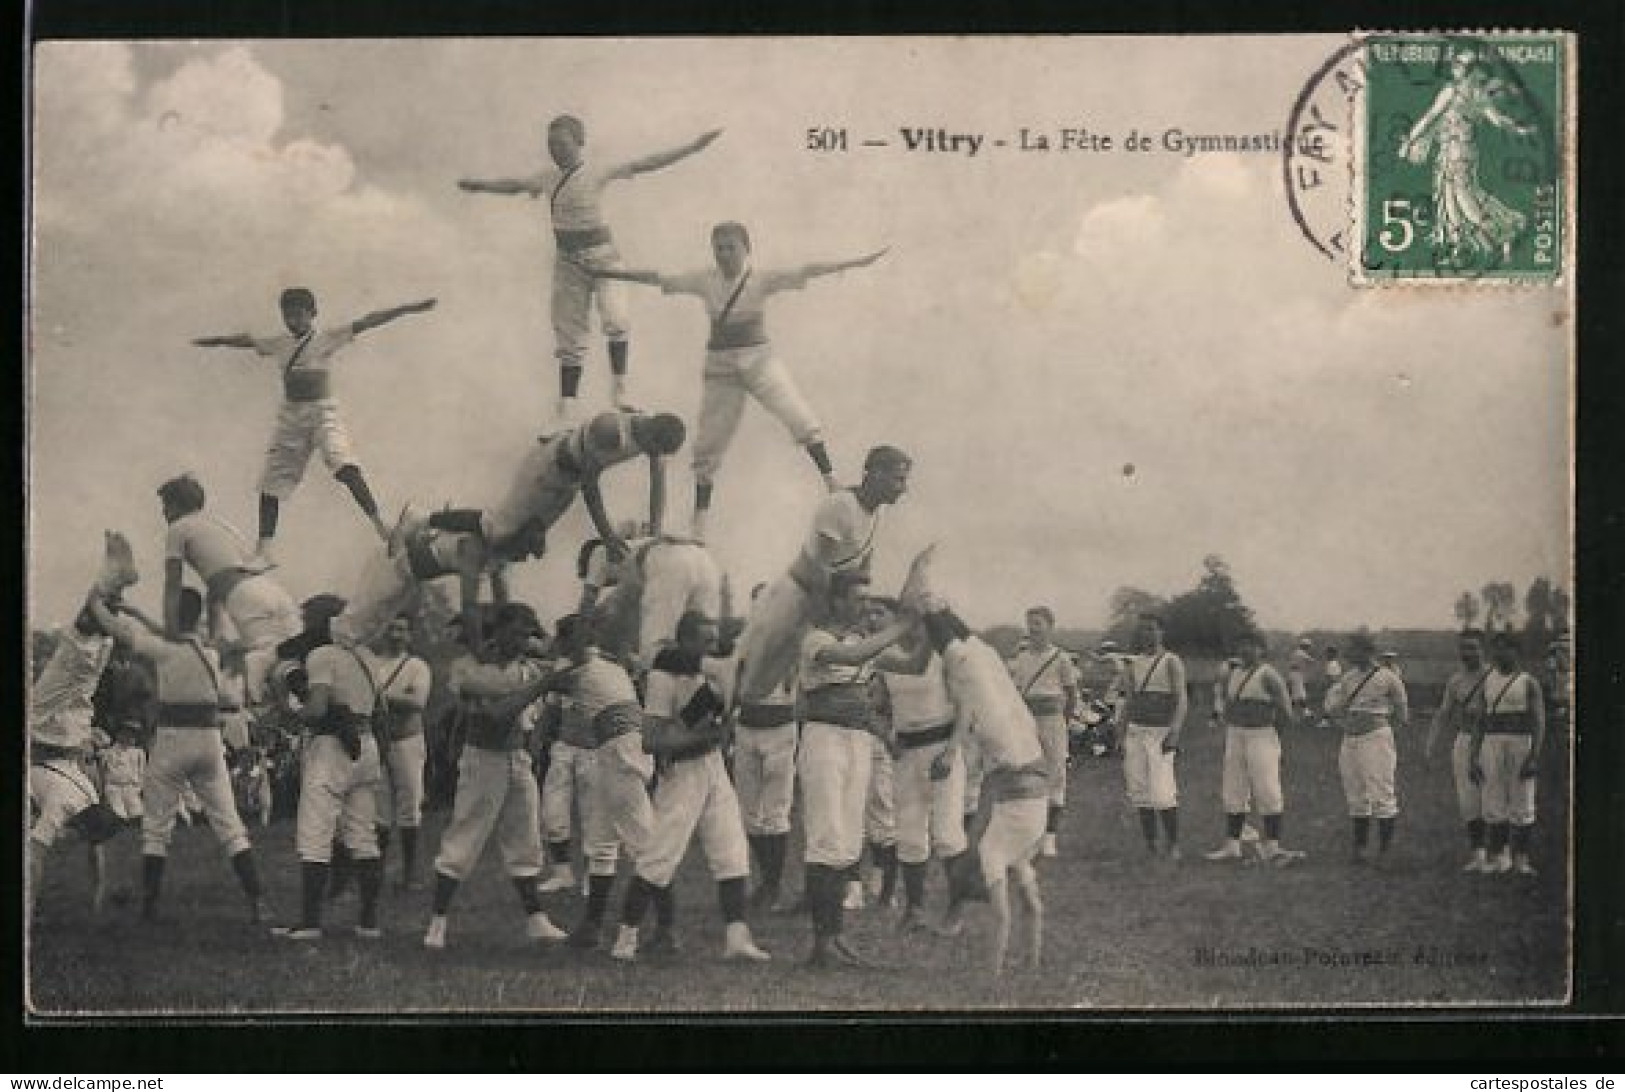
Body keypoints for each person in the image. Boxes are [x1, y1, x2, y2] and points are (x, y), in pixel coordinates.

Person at [586, 223, 888, 537]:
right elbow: (657, 277)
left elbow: (809, 271)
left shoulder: (761, 279)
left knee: (798, 415)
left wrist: (854, 263)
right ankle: (699, 524)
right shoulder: (704, 280)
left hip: (759, 360)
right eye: (719, 248)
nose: (725, 254)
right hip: (721, 368)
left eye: (731, 247)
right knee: (707, 445)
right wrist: (609, 275)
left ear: (747, 249)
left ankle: (830, 479)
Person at [457, 116, 722, 418]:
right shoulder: (549, 179)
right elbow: (514, 185)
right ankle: (567, 407)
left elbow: (647, 163)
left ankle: (621, 391)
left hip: (604, 260)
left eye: (562, 143)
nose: (556, 150)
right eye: (551, 144)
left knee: (617, 319)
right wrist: (478, 186)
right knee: (569, 332)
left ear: (579, 142)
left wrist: (692, 148)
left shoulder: (596, 172)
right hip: (569, 264)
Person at [191, 288, 437, 556]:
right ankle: (264, 550)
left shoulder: (326, 338)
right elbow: (247, 341)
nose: (293, 320)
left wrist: (408, 308)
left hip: (322, 414)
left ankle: (382, 525)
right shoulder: (279, 343)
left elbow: (369, 320)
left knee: (342, 464)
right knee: (271, 484)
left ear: (312, 314)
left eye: (299, 314)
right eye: (288, 315)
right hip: (291, 419)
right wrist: (214, 340)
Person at [90, 585, 273, 924]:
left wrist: (96, 602)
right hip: (209, 742)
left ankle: (150, 908)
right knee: (230, 825)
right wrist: (135, 611)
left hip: (173, 739)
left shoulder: (163, 651)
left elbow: (118, 631)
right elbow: (173, 633)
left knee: (156, 827)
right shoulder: (210, 652)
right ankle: (257, 900)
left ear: (174, 615)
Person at [607, 611, 768, 963]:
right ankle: (625, 940)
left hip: (713, 769)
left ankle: (737, 938)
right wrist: (705, 735)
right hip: (682, 774)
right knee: (659, 857)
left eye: (715, 641)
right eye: (705, 642)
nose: (712, 649)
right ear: (685, 642)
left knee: (732, 853)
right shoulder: (663, 677)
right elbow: (651, 741)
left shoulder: (717, 676)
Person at [912, 591, 1047, 976]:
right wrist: (1017, 968)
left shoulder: (1002, 856)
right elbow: (1023, 911)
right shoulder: (1008, 856)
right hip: (1020, 761)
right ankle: (936, 608)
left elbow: (1011, 914)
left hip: (1024, 757)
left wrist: (995, 976)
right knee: (981, 665)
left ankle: (934, 609)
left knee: (982, 666)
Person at [422, 603, 568, 950]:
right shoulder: (467, 668)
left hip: (517, 759)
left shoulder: (528, 669)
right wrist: (536, 685)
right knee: (465, 835)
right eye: (515, 633)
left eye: (526, 634)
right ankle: (437, 922)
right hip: (483, 759)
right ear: (497, 631)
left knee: (525, 836)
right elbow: (492, 717)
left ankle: (536, 920)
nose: (522, 640)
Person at [426, 408, 687, 599]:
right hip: (549, 469)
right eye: (656, 449)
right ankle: (427, 518)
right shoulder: (611, 431)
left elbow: (658, 485)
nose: (654, 456)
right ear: (652, 431)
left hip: (568, 483)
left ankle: (493, 577)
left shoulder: (652, 436)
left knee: (527, 538)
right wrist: (607, 537)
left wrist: (655, 532)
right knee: (498, 529)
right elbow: (590, 488)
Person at [795, 572, 915, 968]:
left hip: (858, 741)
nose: (865, 606)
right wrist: (901, 624)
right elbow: (852, 658)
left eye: (868, 599)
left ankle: (835, 937)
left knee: (848, 842)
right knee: (825, 840)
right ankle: (821, 941)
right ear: (835, 601)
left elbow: (915, 664)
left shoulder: (859, 643)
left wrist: (930, 622)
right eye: (858, 599)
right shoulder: (816, 639)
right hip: (825, 740)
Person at [736, 445, 913, 707]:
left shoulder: (878, 513)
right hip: (795, 598)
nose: (903, 488)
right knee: (748, 682)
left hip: (825, 603)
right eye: (898, 479)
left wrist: (860, 609)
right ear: (875, 473)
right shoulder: (841, 505)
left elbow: (863, 570)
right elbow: (821, 567)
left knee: (783, 686)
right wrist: (831, 621)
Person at [28, 533, 142, 923]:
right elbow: (84, 848)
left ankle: (109, 583)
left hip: (52, 725)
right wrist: (98, 895)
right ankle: (109, 584)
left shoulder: (75, 800)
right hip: (61, 721)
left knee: (79, 647)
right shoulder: (77, 800)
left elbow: (41, 853)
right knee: (84, 648)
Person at [271, 602, 391, 941]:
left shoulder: (322, 655)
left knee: (315, 833)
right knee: (362, 835)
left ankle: (310, 923)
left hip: (331, 747)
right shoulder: (367, 657)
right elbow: (381, 712)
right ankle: (368, 922)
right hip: (366, 745)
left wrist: (287, 706)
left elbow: (317, 709)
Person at [540, 615, 655, 950]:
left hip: (621, 752)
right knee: (603, 845)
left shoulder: (581, 667)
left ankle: (661, 930)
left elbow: (545, 677)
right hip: (608, 752)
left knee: (648, 846)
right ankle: (590, 928)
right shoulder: (610, 666)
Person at [156, 475, 302, 705]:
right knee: (290, 665)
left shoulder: (178, 528)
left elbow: (172, 583)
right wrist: (215, 636)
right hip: (270, 589)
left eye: (165, 506)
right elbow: (215, 590)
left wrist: (171, 633)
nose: (163, 513)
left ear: (175, 505)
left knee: (260, 679)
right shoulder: (221, 525)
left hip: (244, 596)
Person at [329, 504, 548, 653]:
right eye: (526, 550)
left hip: (411, 577)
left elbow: (503, 605)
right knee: (353, 624)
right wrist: (478, 649)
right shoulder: (475, 548)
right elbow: (469, 605)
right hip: (393, 564)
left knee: (372, 631)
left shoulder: (498, 556)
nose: (525, 558)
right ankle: (317, 651)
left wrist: (510, 636)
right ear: (516, 540)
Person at [870, 607, 969, 932]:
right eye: (904, 622)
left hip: (941, 749)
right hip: (905, 753)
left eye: (916, 623)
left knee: (946, 834)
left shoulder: (942, 658)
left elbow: (966, 708)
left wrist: (952, 752)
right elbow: (876, 707)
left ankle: (956, 910)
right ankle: (914, 909)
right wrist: (886, 736)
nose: (910, 629)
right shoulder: (887, 661)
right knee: (909, 834)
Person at [1398, 46, 1536, 265]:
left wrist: (1410, 139)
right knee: (1450, 198)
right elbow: (1498, 120)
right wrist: (1519, 129)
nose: (1455, 67)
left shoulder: (1452, 91)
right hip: (1461, 152)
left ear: (1469, 70)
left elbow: (1429, 117)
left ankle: (1503, 236)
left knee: (1464, 201)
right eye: (1455, 63)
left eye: (1460, 65)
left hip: (1455, 152)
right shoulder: (1479, 93)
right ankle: (1460, 250)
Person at [1203, 631, 1303, 866]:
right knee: (1233, 788)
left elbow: (1286, 713)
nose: (1245, 650)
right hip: (1236, 734)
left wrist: (1274, 739)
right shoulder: (1233, 673)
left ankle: (1272, 847)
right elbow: (1227, 703)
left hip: (1262, 735)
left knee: (1267, 788)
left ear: (1261, 649)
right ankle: (1232, 845)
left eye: (1250, 646)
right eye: (1241, 645)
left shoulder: (1269, 676)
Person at [732, 582, 801, 913]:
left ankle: (772, 885)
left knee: (775, 812)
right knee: (748, 814)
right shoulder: (742, 644)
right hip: (746, 728)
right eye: (757, 604)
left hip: (780, 729)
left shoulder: (794, 643)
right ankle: (766, 881)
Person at [1323, 631, 1410, 864]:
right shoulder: (1348, 677)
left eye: (1354, 649)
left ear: (1367, 651)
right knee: (1355, 794)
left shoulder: (1388, 677)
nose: (1350, 654)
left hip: (1376, 738)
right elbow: (1335, 706)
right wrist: (1340, 719)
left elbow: (1402, 713)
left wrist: (1383, 735)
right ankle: (1360, 850)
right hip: (1350, 740)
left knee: (1382, 793)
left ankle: (1385, 852)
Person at [363, 614, 435, 890]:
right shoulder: (372, 664)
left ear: (410, 635)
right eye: (391, 628)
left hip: (407, 742)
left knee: (409, 805)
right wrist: (391, 697)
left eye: (401, 630)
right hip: (378, 741)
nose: (395, 634)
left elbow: (417, 702)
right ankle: (377, 873)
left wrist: (379, 696)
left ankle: (410, 874)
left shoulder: (417, 666)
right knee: (379, 810)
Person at [1468, 633, 1547, 876]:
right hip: (1491, 743)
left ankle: (1521, 859)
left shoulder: (1528, 682)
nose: (1500, 655)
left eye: (1505, 649)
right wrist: (1473, 756)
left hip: (1520, 742)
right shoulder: (1487, 681)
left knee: (1522, 799)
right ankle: (1499, 857)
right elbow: (1480, 721)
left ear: (1516, 652)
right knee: (1493, 799)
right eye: (1496, 650)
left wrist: (1534, 756)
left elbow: (1538, 720)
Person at [1007, 607, 1080, 858]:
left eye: (1038, 623)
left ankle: (1050, 837)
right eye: (1030, 624)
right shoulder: (1021, 657)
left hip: (1052, 721)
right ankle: (1028, 835)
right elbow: (1014, 693)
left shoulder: (1061, 658)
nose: (1033, 628)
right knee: (1026, 774)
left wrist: (1064, 722)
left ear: (1050, 626)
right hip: (1026, 722)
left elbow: (1071, 695)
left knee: (1055, 776)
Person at [1116, 613, 1188, 861]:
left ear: (1161, 632)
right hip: (1136, 730)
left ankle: (1174, 844)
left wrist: (1175, 732)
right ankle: (1151, 845)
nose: (1147, 634)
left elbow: (1181, 699)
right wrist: (1120, 732)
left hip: (1160, 732)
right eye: (1143, 630)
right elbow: (1129, 701)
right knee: (1139, 790)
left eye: (1152, 629)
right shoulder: (1133, 663)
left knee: (1162, 791)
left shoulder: (1171, 661)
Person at [1423, 629, 1493, 871]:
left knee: (1493, 796)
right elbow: (1443, 714)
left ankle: (1500, 854)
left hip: (1492, 741)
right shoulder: (1456, 680)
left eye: (1473, 647)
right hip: (1464, 741)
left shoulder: (1495, 677)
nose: (1467, 653)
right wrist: (1430, 744)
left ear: (1484, 649)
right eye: (1464, 648)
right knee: (1468, 800)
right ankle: (1479, 855)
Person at [100, 723, 147, 827]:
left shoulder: (138, 752)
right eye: (127, 734)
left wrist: (140, 787)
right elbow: (102, 772)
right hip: (114, 787)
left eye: (133, 735)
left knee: (137, 814)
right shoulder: (109, 752)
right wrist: (103, 790)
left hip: (131, 787)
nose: (131, 738)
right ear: (119, 735)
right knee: (119, 815)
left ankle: (133, 820)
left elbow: (142, 772)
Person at [1286, 638, 1316, 727]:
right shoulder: (1301, 653)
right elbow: (1311, 661)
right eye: (1308, 646)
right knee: (1300, 695)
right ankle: (1304, 713)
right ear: (1304, 646)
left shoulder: (1296, 652)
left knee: (1296, 695)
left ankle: (1297, 714)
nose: (1308, 648)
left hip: (1295, 674)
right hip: (1296, 674)